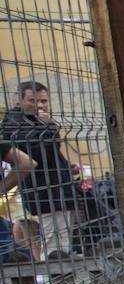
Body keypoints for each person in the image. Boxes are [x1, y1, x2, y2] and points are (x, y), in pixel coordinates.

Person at [2, 81, 81, 260]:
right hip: (48, 194)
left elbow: (50, 154)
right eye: (33, 101)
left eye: (44, 101)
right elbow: (38, 154)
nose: (40, 105)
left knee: (59, 245)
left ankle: (56, 282)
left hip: (55, 190)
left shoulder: (31, 121)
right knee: (55, 249)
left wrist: (66, 167)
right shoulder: (16, 124)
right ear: (18, 101)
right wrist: (49, 127)